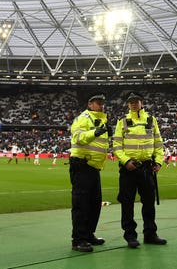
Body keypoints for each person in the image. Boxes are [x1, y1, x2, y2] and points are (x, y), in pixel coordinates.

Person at [113, 93, 167, 248]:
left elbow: (158, 143)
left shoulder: (151, 120)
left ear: (141, 102)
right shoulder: (122, 121)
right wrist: (126, 161)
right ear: (127, 104)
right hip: (128, 168)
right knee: (127, 203)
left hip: (146, 168)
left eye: (136, 102)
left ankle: (150, 234)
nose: (133, 104)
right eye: (130, 102)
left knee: (149, 203)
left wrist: (158, 161)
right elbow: (116, 145)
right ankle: (130, 236)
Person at [69, 94, 112, 253]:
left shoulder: (101, 120)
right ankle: (78, 240)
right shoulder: (83, 118)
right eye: (98, 103)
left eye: (102, 103)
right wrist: (96, 132)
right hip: (82, 165)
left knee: (94, 203)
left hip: (93, 167)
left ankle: (88, 234)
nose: (101, 106)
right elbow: (78, 138)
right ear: (90, 103)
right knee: (81, 204)